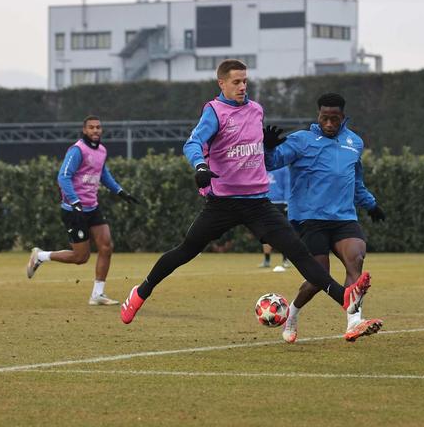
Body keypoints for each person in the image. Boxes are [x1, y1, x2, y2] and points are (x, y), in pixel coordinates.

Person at [119, 59, 370, 330]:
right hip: (223, 203)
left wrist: (268, 146)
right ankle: (141, 291)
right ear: (222, 83)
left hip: (257, 202)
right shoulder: (214, 112)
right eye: (236, 82)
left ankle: (344, 299)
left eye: (245, 81)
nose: (242, 86)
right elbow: (193, 143)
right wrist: (200, 166)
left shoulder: (256, 110)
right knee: (186, 251)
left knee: (298, 252)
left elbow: (253, 148)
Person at [265, 93, 385, 344]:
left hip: (343, 217)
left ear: (343, 117)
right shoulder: (301, 140)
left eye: (335, 119)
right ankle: (292, 315)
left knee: (356, 258)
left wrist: (371, 204)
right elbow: (271, 163)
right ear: (318, 115)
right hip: (309, 219)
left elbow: (356, 181)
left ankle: (354, 322)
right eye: (324, 118)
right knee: (318, 277)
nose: (329, 124)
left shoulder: (354, 142)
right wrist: (267, 147)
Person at [26, 115, 141, 305]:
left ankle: (97, 294)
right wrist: (75, 201)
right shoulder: (77, 150)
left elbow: (103, 174)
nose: (95, 130)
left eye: (98, 127)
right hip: (74, 210)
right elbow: (63, 177)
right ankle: (40, 256)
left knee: (106, 246)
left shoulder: (102, 151)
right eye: (91, 128)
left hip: (92, 208)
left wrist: (120, 191)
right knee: (81, 257)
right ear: (84, 130)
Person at [259, 166, 291, 272]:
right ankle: (267, 259)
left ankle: (285, 259)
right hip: (265, 202)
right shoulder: (261, 166)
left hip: (281, 203)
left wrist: (287, 202)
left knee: (283, 232)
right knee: (265, 233)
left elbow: (287, 184)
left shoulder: (283, 168)